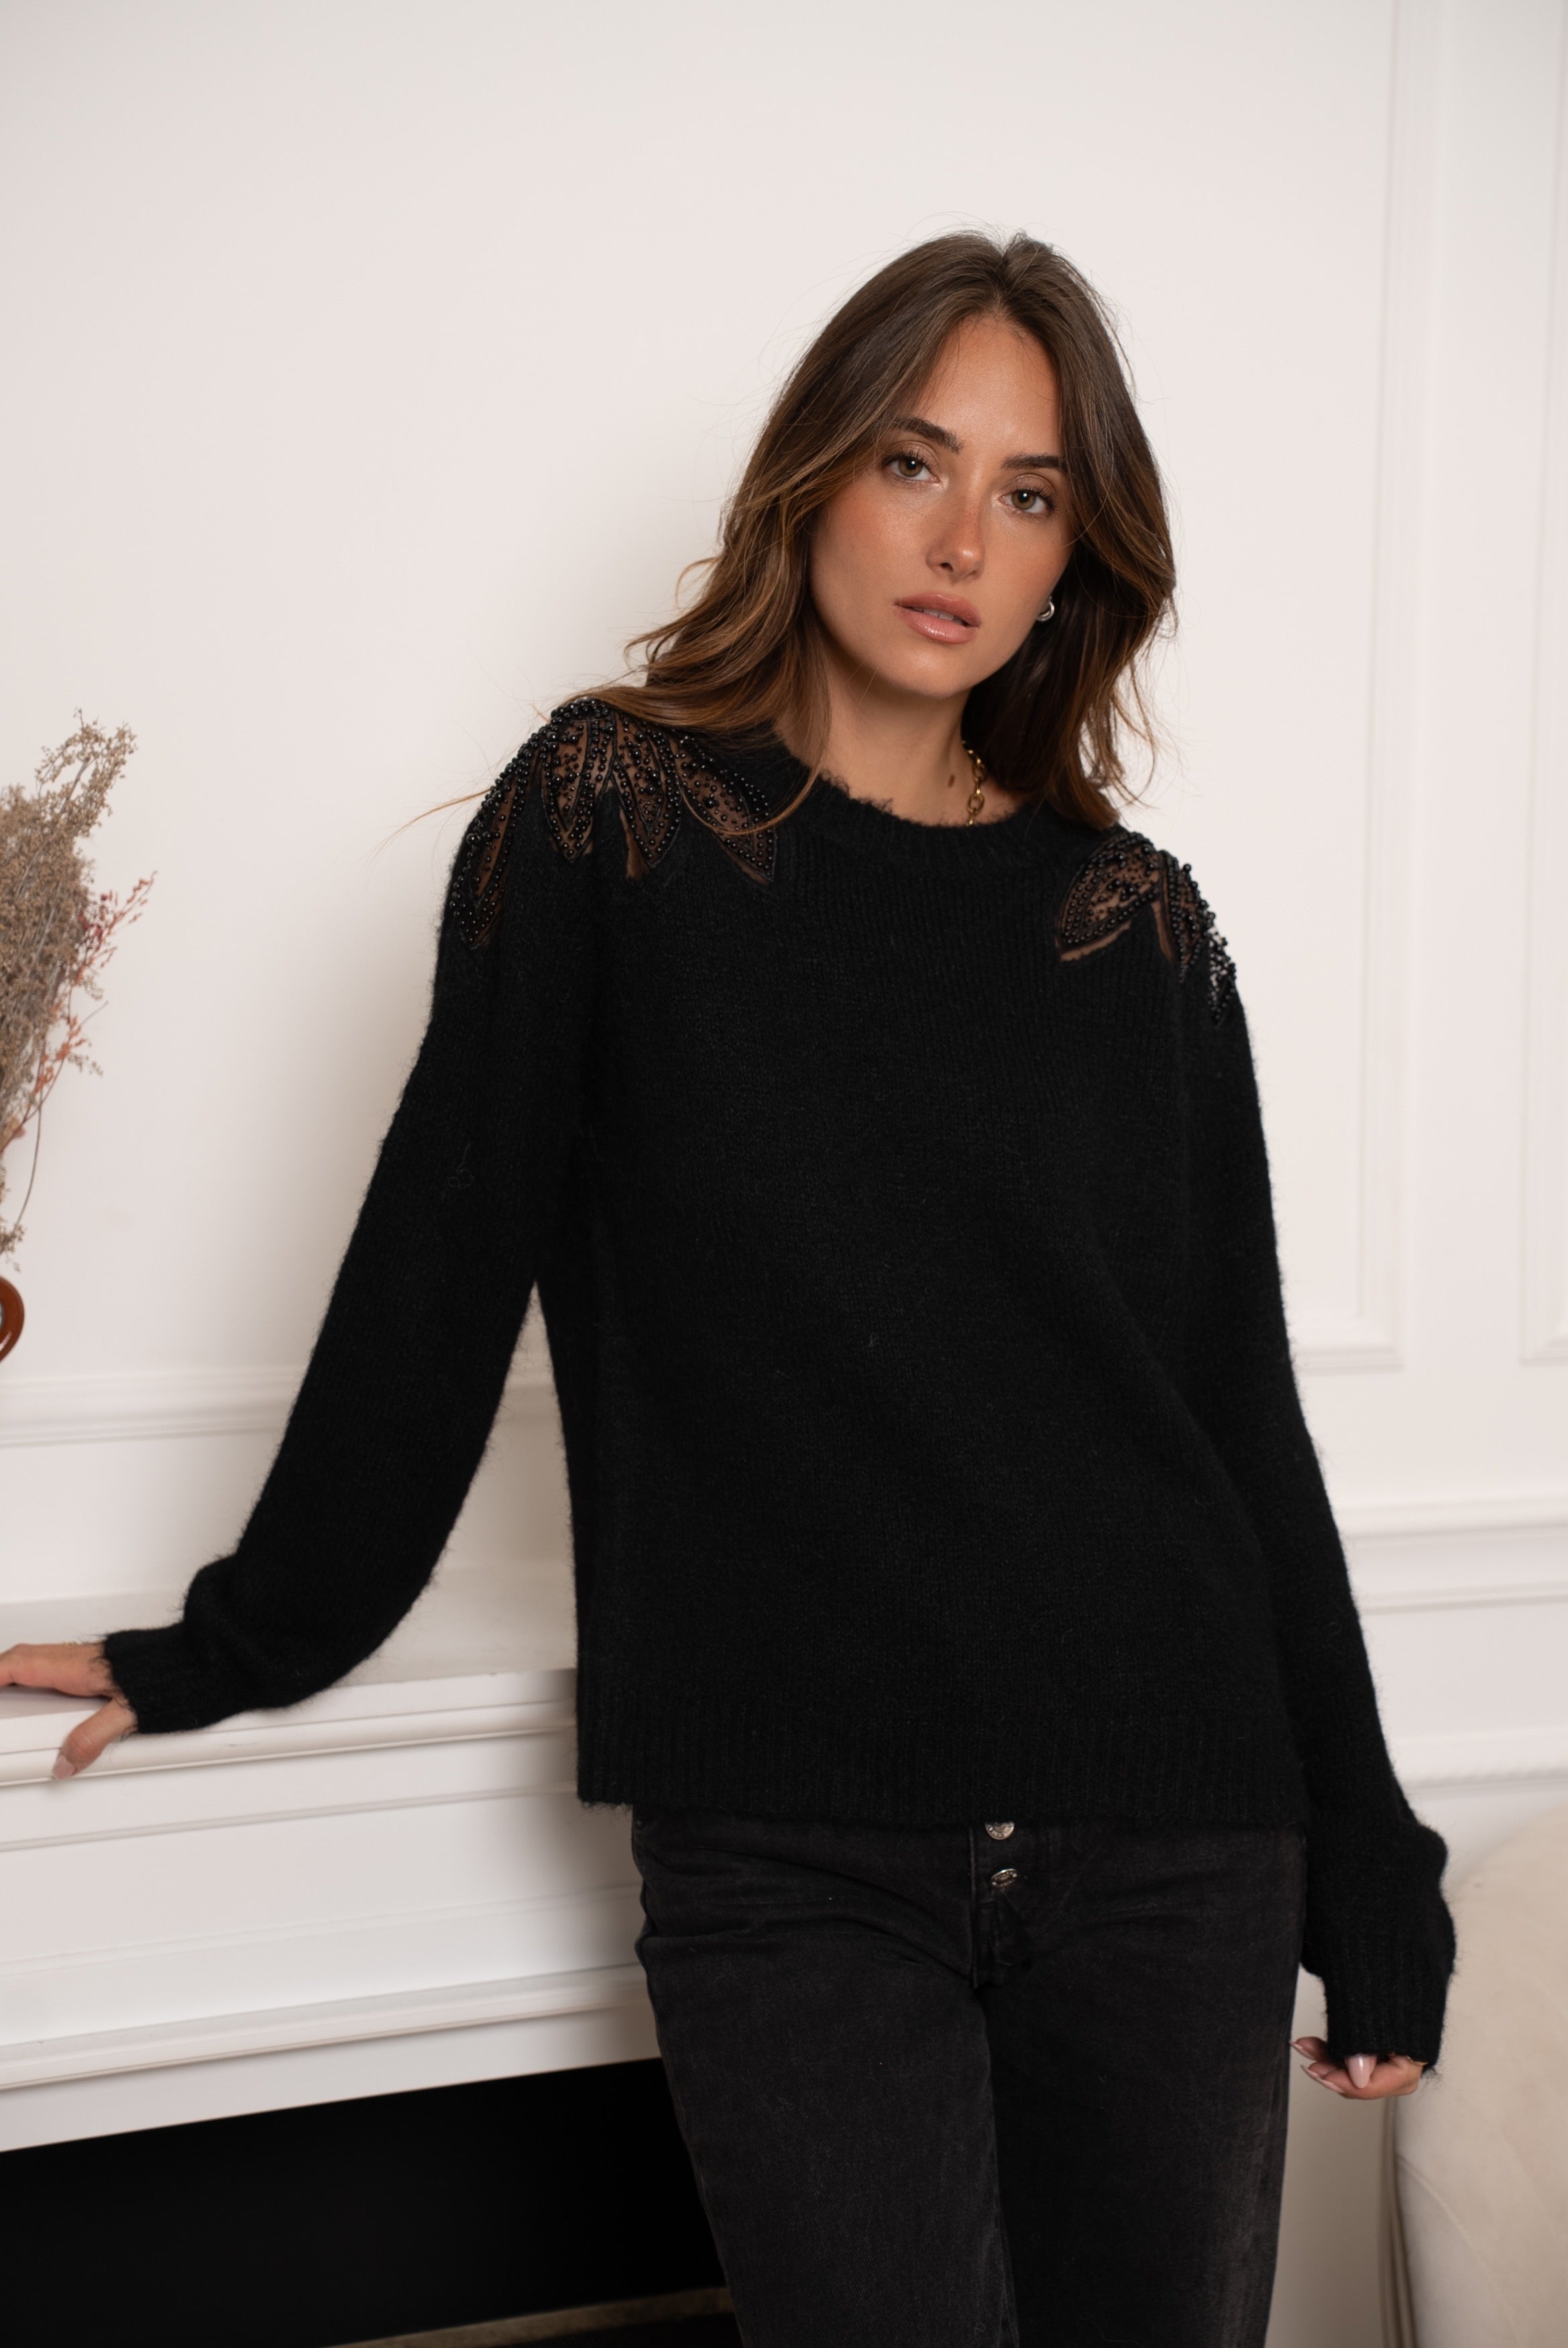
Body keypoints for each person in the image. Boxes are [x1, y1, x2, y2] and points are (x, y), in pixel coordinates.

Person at [0, 231, 1454, 2347]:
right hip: (792, 1851)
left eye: (1028, 495)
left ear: (1077, 558)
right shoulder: (609, 822)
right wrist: (244, 1639)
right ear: (811, 477)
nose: (960, 542)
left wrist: (1372, 1856)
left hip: (1172, 1833)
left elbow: (1231, 1407)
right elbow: (439, 1253)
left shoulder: (1130, 929)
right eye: (913, 462)